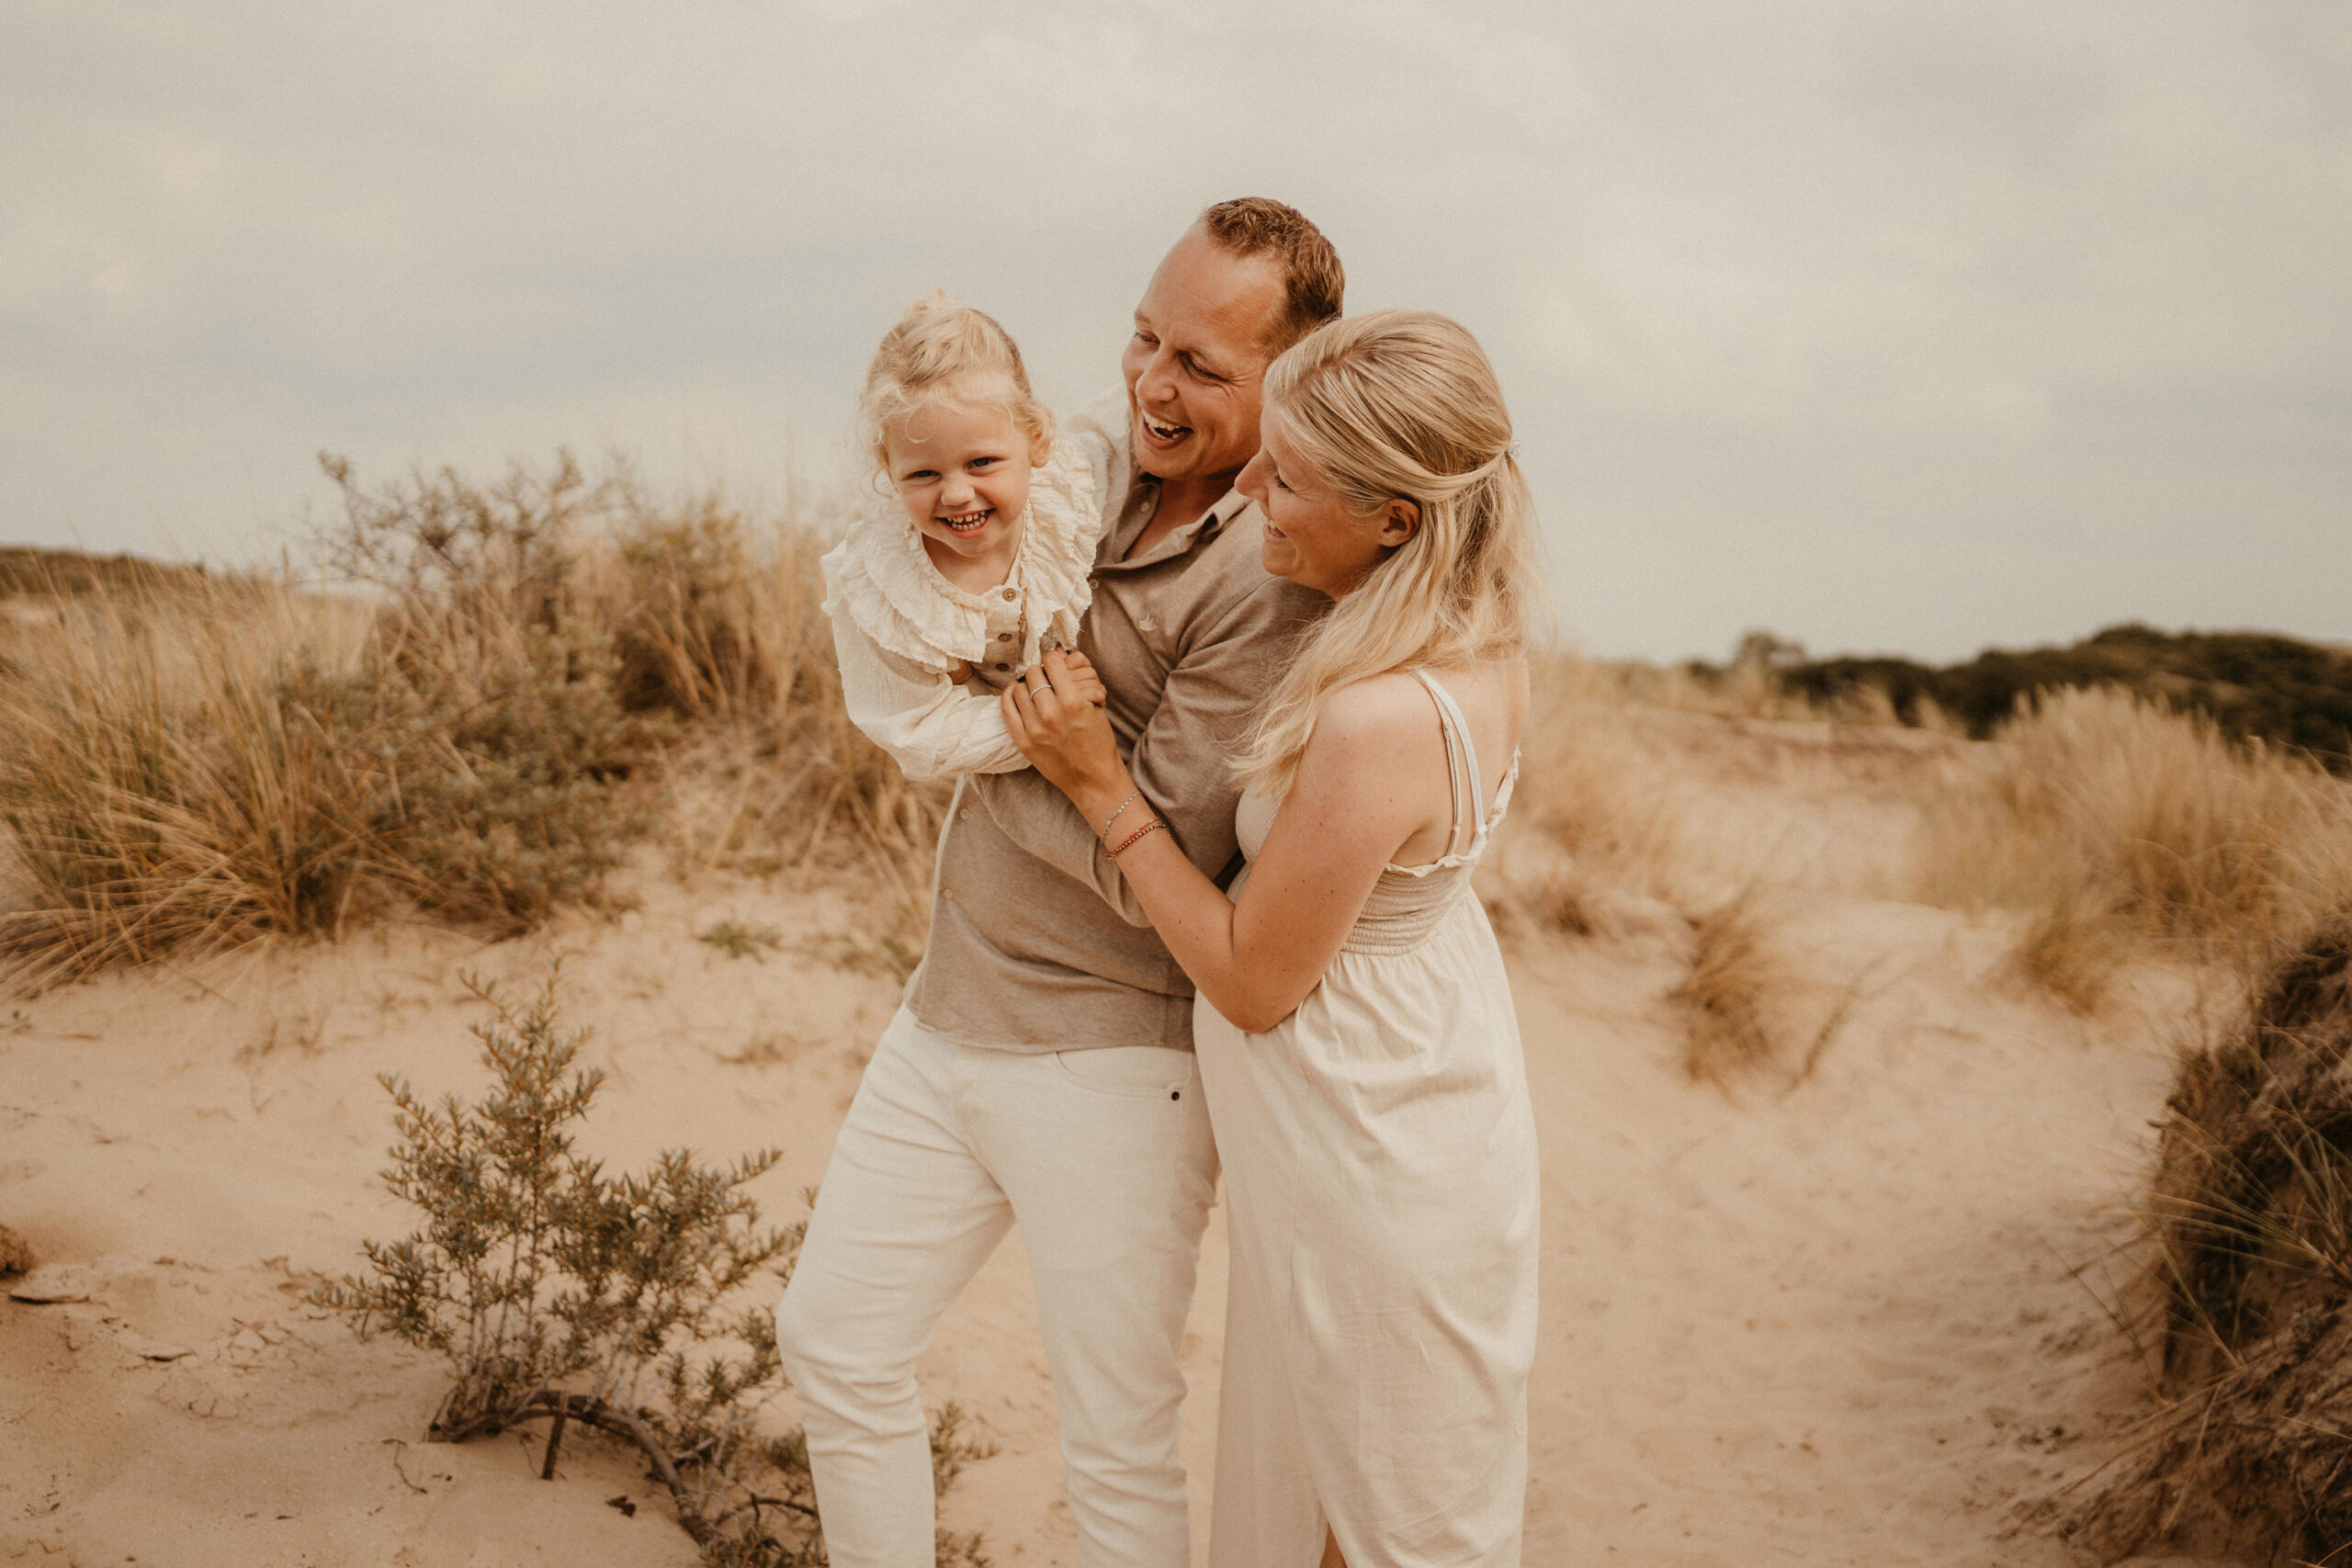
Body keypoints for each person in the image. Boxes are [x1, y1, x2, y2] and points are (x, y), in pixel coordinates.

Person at [772, 198, 1342, 1568]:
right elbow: (946, 607)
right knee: (836, 1341)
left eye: (1203, 365)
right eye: (1147, 337)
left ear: (1292, 377)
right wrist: (1034, 735)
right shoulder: (1075, 458)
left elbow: (1173, 852)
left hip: (1112, 1055)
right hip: (946, 1006)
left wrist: (1021, 750)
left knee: (1116, 1443)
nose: (1154, 380)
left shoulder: (1272, 576)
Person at [1005, 310, 1544, 1568]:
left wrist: (1099, 786)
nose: (1247, 490)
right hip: (1398, 1097)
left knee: (1373, 1508)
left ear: (1396, 518)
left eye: (1286, 475)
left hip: (1369, 1148)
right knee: (1334, 1490)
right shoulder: (1476, 638)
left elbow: (1253, 979)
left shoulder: (1379, 716)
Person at [821, 290, 1114, 781]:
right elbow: (917, 734)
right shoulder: (882, 587)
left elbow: (1124, 422)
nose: (957, 494)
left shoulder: (1073, 494)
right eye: (923, 475)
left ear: (1037, 439)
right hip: (1007, 784)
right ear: (888, 470)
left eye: (981, 463)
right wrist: (1052, 715)